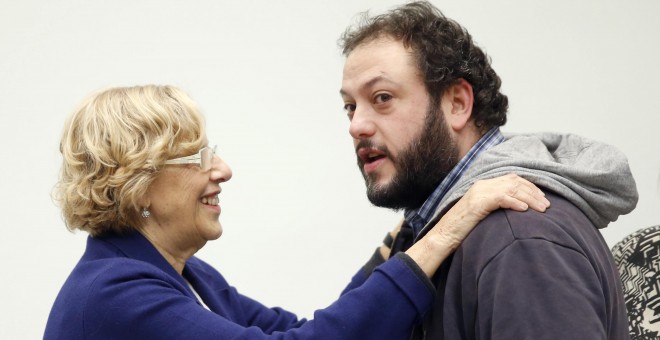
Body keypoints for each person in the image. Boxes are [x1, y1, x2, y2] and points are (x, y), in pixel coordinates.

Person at [43, 85, 550, 339]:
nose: (222, 169)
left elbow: (310, 329)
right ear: (139, 184)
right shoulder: (116, 297)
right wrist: (444, 233)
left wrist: (396, 246)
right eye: (198, 156)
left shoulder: (189, 277)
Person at [338, 1, 638, 339]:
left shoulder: (518, 240)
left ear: (457, 104)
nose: (356, 125)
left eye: (381, 97)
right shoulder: (432, 232)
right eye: (350, 107)